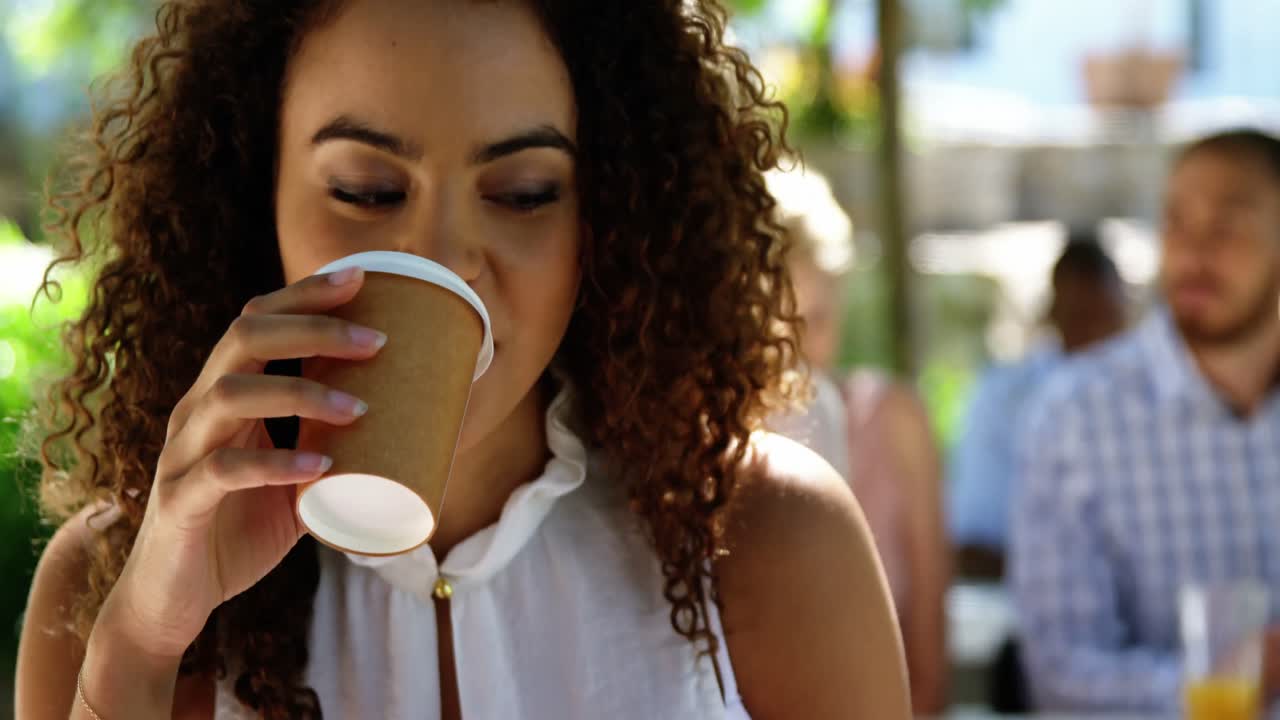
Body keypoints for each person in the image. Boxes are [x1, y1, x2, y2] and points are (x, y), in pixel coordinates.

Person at [14, 2, 911, 719]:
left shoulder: (767, 540)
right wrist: (140, 647)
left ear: (602, 218)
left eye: (523, 194)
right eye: (366, 189)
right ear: (256, 198)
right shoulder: (113, 587)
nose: (443, 254)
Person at [1011, 129, 1280, 715]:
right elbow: (1061, 677)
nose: (1193, 253)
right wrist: (1245, 674)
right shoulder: (1073, 419)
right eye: (1176, 223)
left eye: (1228, 226)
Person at [766, 166, 948, 714]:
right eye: (769, 327)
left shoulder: (892, 421)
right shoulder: (706, 453)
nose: (792, 356)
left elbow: (931, 655)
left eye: (814, 321)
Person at [949, 236, 1127, 578]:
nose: (1094, 331)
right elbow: (970, 547)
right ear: (1052, 314)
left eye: (1103, 316)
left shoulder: (1158, 405)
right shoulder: (1005, 399)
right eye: (1080, 315)